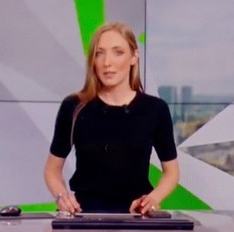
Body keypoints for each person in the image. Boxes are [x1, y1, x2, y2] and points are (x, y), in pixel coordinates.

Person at [43, 21, 180, 214]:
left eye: (118, 52)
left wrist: (153, 199)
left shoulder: (155, 110)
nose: (107, 62)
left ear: (134, 57)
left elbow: (171, 172)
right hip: (84, 216)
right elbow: (52, 170)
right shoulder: (74, 107)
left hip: (136, 217)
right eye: (99, 53)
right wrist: (61, 196)